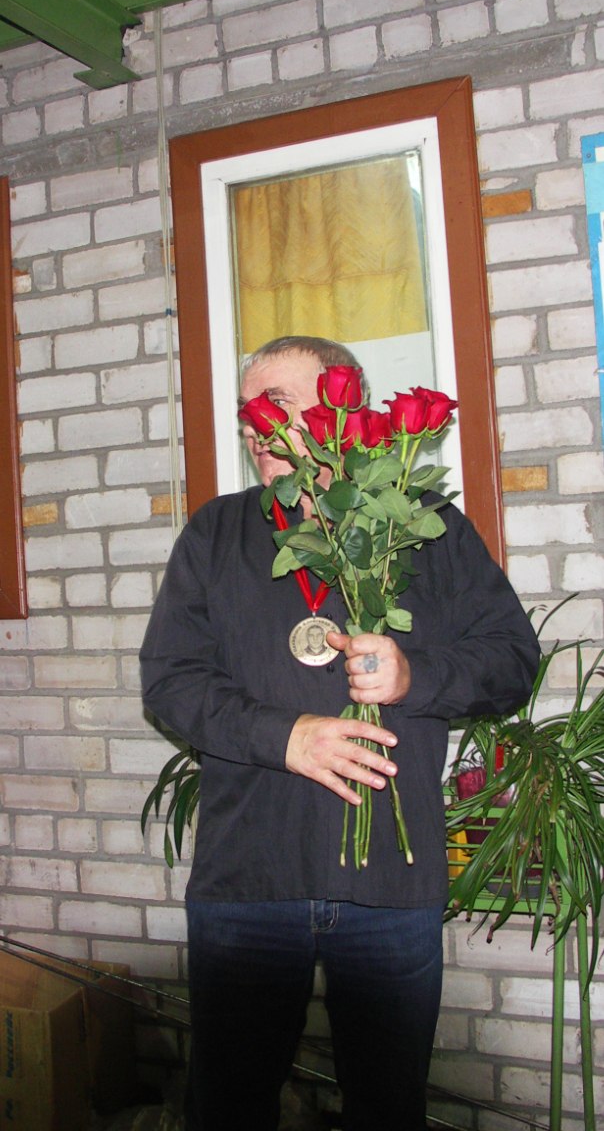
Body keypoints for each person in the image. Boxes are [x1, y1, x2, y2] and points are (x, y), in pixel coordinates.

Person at [140, 335, 540, 1131]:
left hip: (391, 885)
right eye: (248, 412)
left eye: (277, 405)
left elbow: (512, 660)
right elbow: (170, 683)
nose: (256, 425)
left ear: (342, 402)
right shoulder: (215, 535)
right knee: (228, 1108)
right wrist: (282, 737)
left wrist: (417, 676)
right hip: (250, 880)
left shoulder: (428, 526)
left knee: (388, 1110)